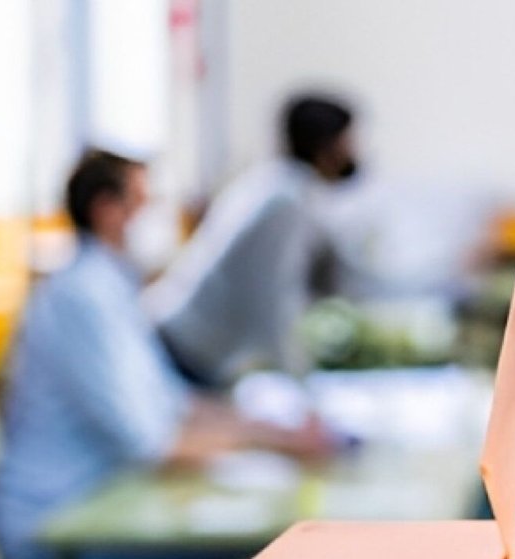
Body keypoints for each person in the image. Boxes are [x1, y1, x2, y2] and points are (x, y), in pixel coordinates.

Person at [0, 150, 329, 559]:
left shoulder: (112, 287)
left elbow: (175, 404)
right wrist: (274, 442)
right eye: (142, 203)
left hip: (108, 506)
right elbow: (153, 443)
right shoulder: (81, 297)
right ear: (107, 210)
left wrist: (266, 426)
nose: (154, 218)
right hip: (57, 528)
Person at [151, 94, 362, 388]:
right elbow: (273, 300)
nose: (355, 151)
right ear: (327, 145)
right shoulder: (286, 202)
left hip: (184, 341)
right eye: (348, 140)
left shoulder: (274, 182)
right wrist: (299, 383)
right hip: (186, 348)